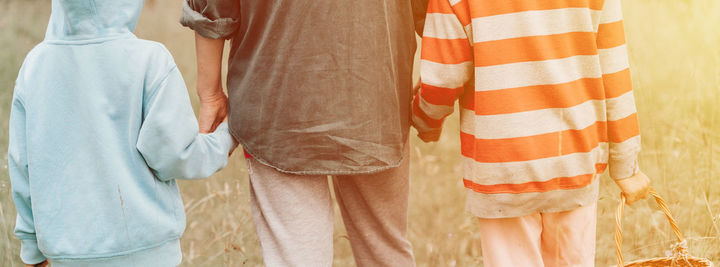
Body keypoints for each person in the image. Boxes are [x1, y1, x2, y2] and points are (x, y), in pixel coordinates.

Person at [180, 0, 427, 266]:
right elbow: (433, 13)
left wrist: (211, 93)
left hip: (277, 104)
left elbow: (213, 8)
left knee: (297, 256)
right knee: (385, 250)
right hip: (376, 102)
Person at [412, 0, 651, 266]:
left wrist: (425, 120)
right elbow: (613, 69)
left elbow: (442, 78)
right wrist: (625, 164)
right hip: (572, 159)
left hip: (503, 166)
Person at [7, 0, 236, 266]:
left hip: (66, 255)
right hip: (147, 253)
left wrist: (32, 249)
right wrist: (229, 134)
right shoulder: (149, 60)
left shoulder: (34, 66)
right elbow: (176, 154)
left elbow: (22, 165)